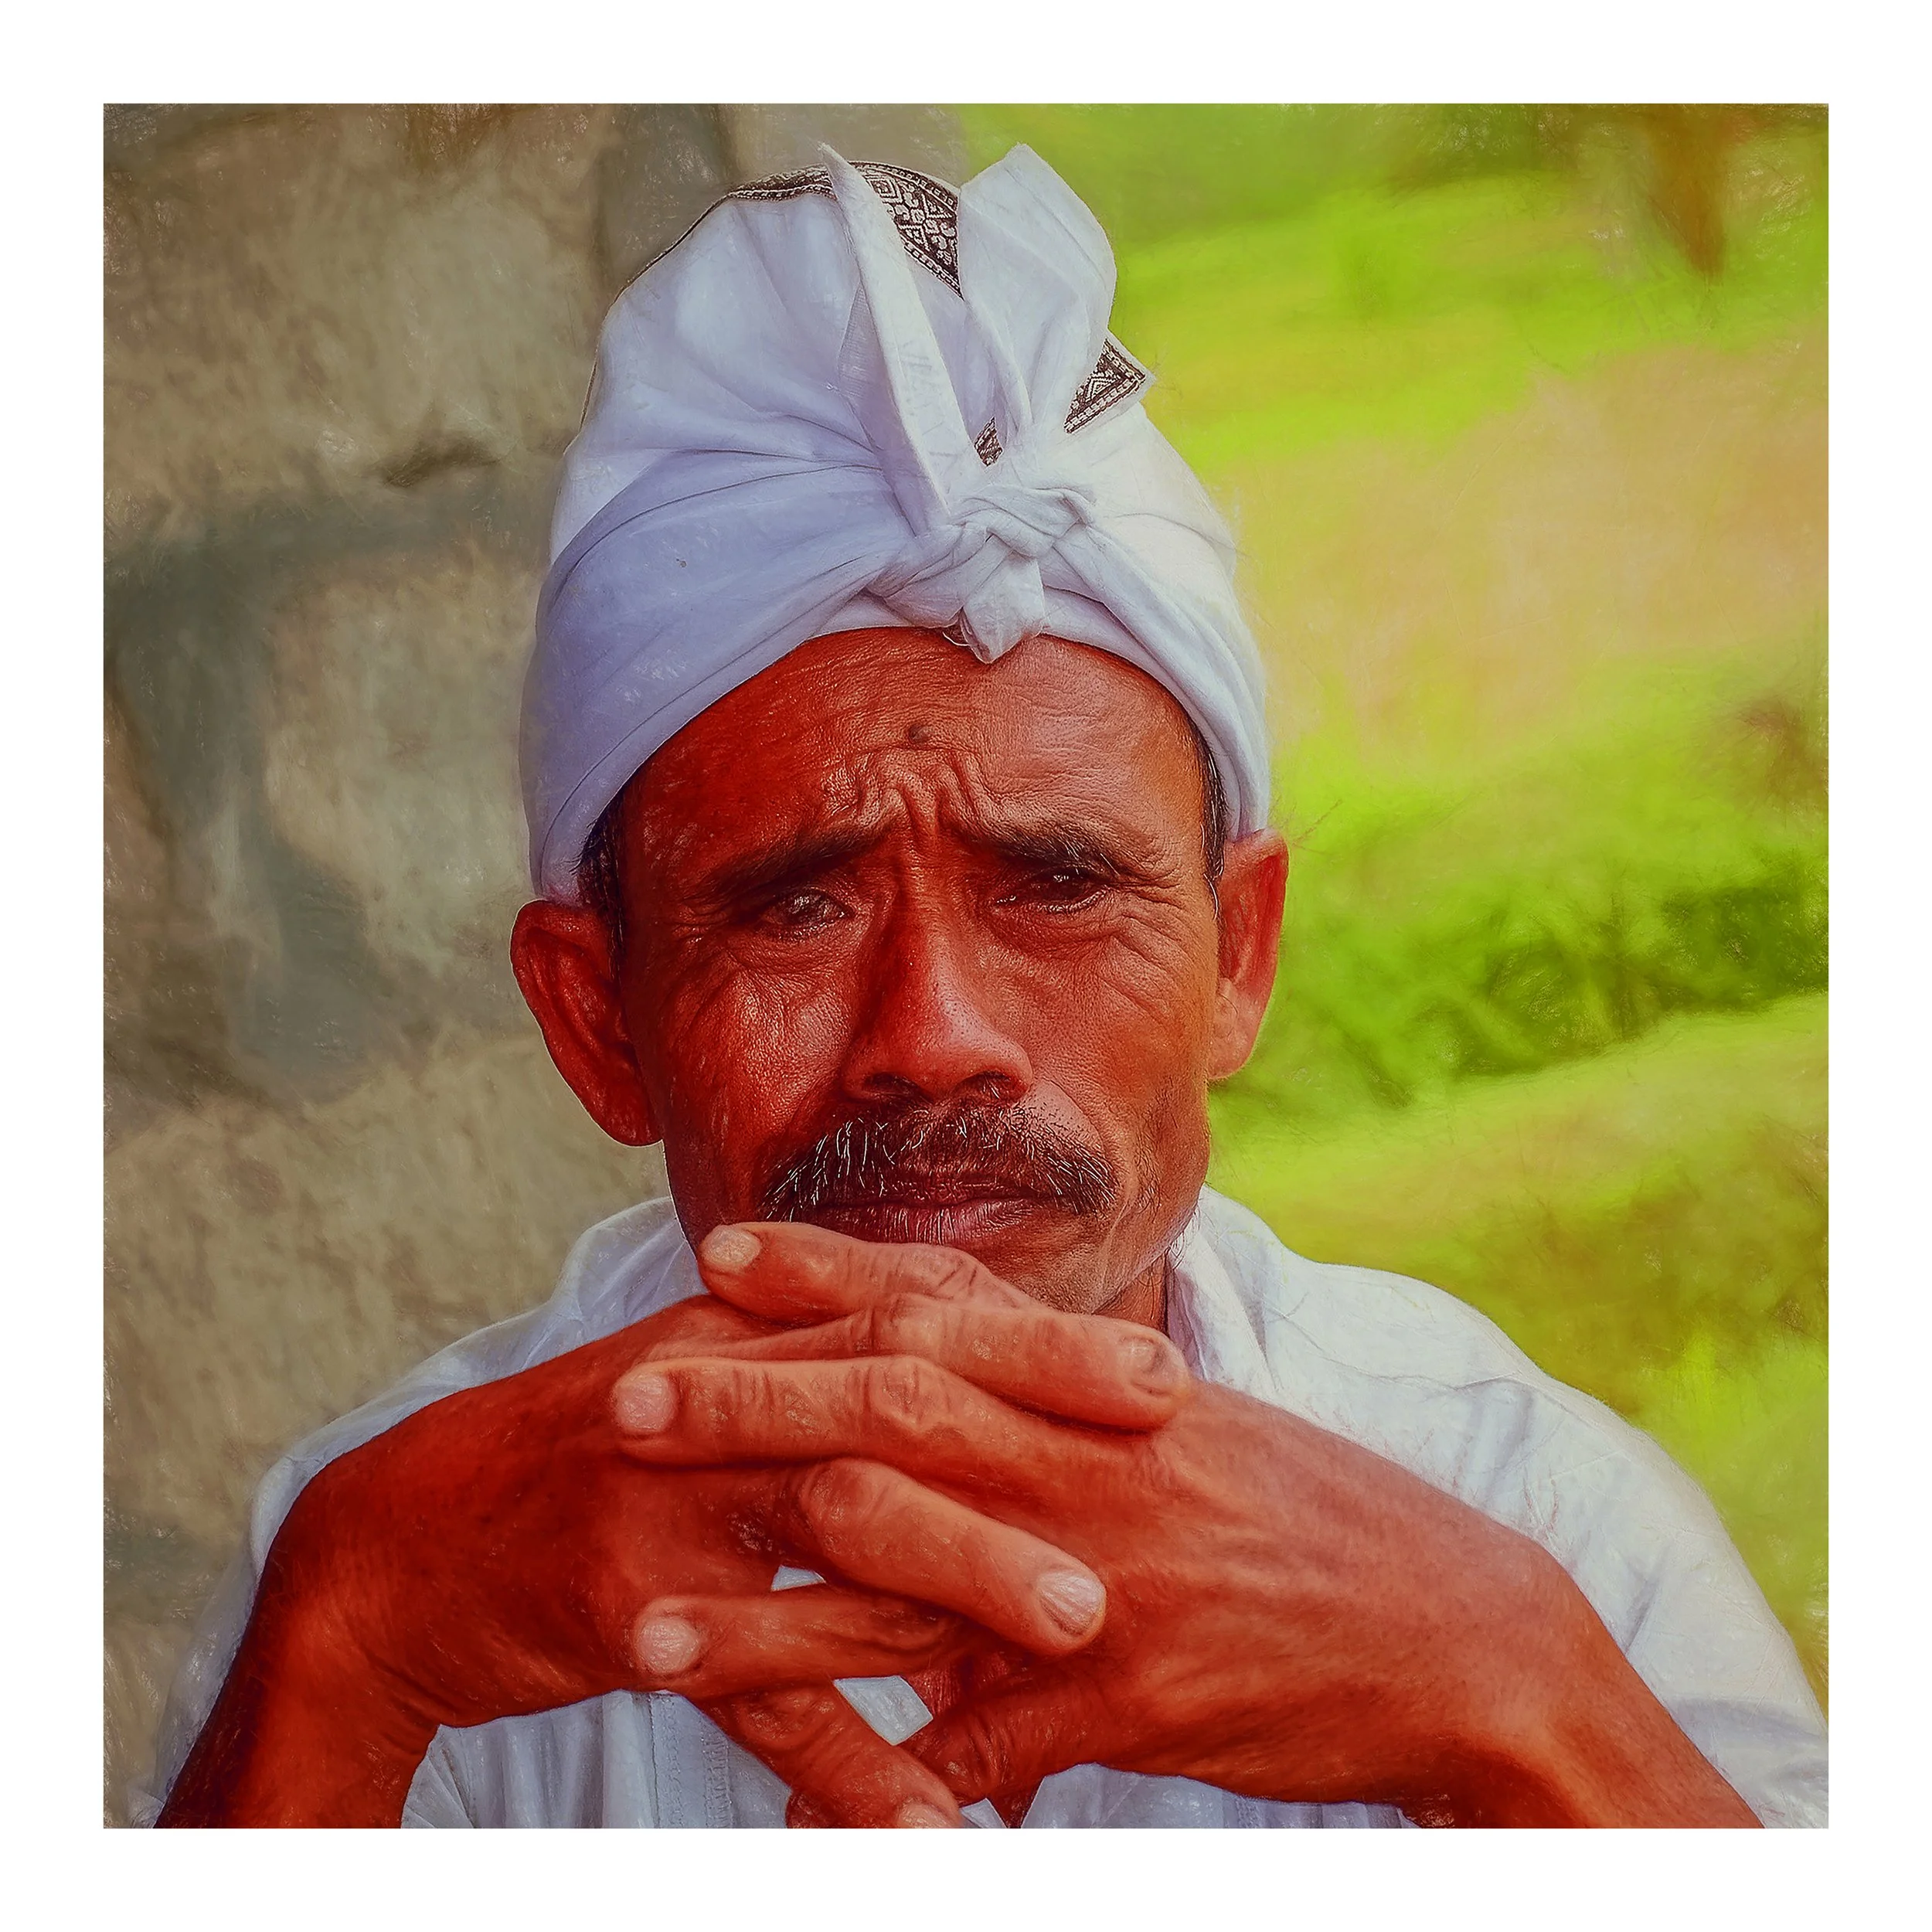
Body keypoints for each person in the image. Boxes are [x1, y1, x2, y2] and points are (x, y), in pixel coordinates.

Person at [140, 147, 1826, 1829]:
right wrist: (349, 1643)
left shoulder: (1526, 1522)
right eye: (792, 909)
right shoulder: (406, 1572)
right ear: (600, 1022)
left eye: (1058, 885)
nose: (931, 1033)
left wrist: (1517, 1702)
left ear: (1236, 955)